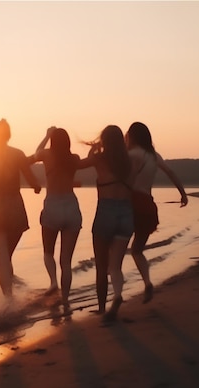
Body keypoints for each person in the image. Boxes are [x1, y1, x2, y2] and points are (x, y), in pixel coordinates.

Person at [0, 119, 42, 298]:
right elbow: (33, 182)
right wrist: (37, 187)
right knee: (6, 257)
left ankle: (7, 303)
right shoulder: (18, 154)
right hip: (15, 208)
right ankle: (9, 299)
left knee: (2, 260)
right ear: (8, 134)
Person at [125, 121, 188, 303]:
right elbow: (171, 172)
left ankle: (115, 288)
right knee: (137, 250)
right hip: (148, 206)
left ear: (133, 136)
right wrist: (182, 193)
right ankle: (147, 283)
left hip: (132, 205)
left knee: (118, 247)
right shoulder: (154, 156)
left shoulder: (132, 154)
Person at [80, 125, 134, 321]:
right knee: (115, 266)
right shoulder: (130, 160)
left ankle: (102, 308)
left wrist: (94, 149)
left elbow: (78, 165)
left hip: (106, 212)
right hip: (127, 213)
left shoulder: (100, 159)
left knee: (101, 266)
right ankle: (117, 295)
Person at [27, 126, 83, 311]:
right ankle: (65, 299)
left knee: (48, 252)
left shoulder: (47, 155)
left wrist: (46, 136)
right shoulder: (74, 159)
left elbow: (35, 154)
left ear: (53, 141)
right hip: (71, 207)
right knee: (66, 261)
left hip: (53, 207)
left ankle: (53, 283)